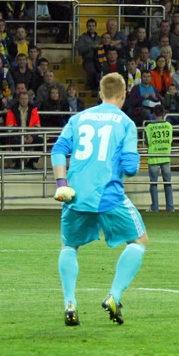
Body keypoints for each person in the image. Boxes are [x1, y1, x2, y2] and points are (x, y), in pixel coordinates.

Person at [51, 73, 148, 326]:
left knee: (69, 246)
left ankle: (70, 303)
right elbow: (130, 167)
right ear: (124, 95)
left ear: (100, 94)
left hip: (75, 195)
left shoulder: (79, 118)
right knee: (139, 240)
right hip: (108, 195)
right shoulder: (126, 123)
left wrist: (62, 184)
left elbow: (59, 149)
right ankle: (113, 296)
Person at [145, 104, 175, 213]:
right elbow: (171, 140)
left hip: (153, 157)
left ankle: (155, 207)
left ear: (153, 114)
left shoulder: (149, 127)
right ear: (163, 114)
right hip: (166, 156)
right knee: (168, 183)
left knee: (153, 183)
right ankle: (170, 207)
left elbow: (146, 142)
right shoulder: (169, 126)